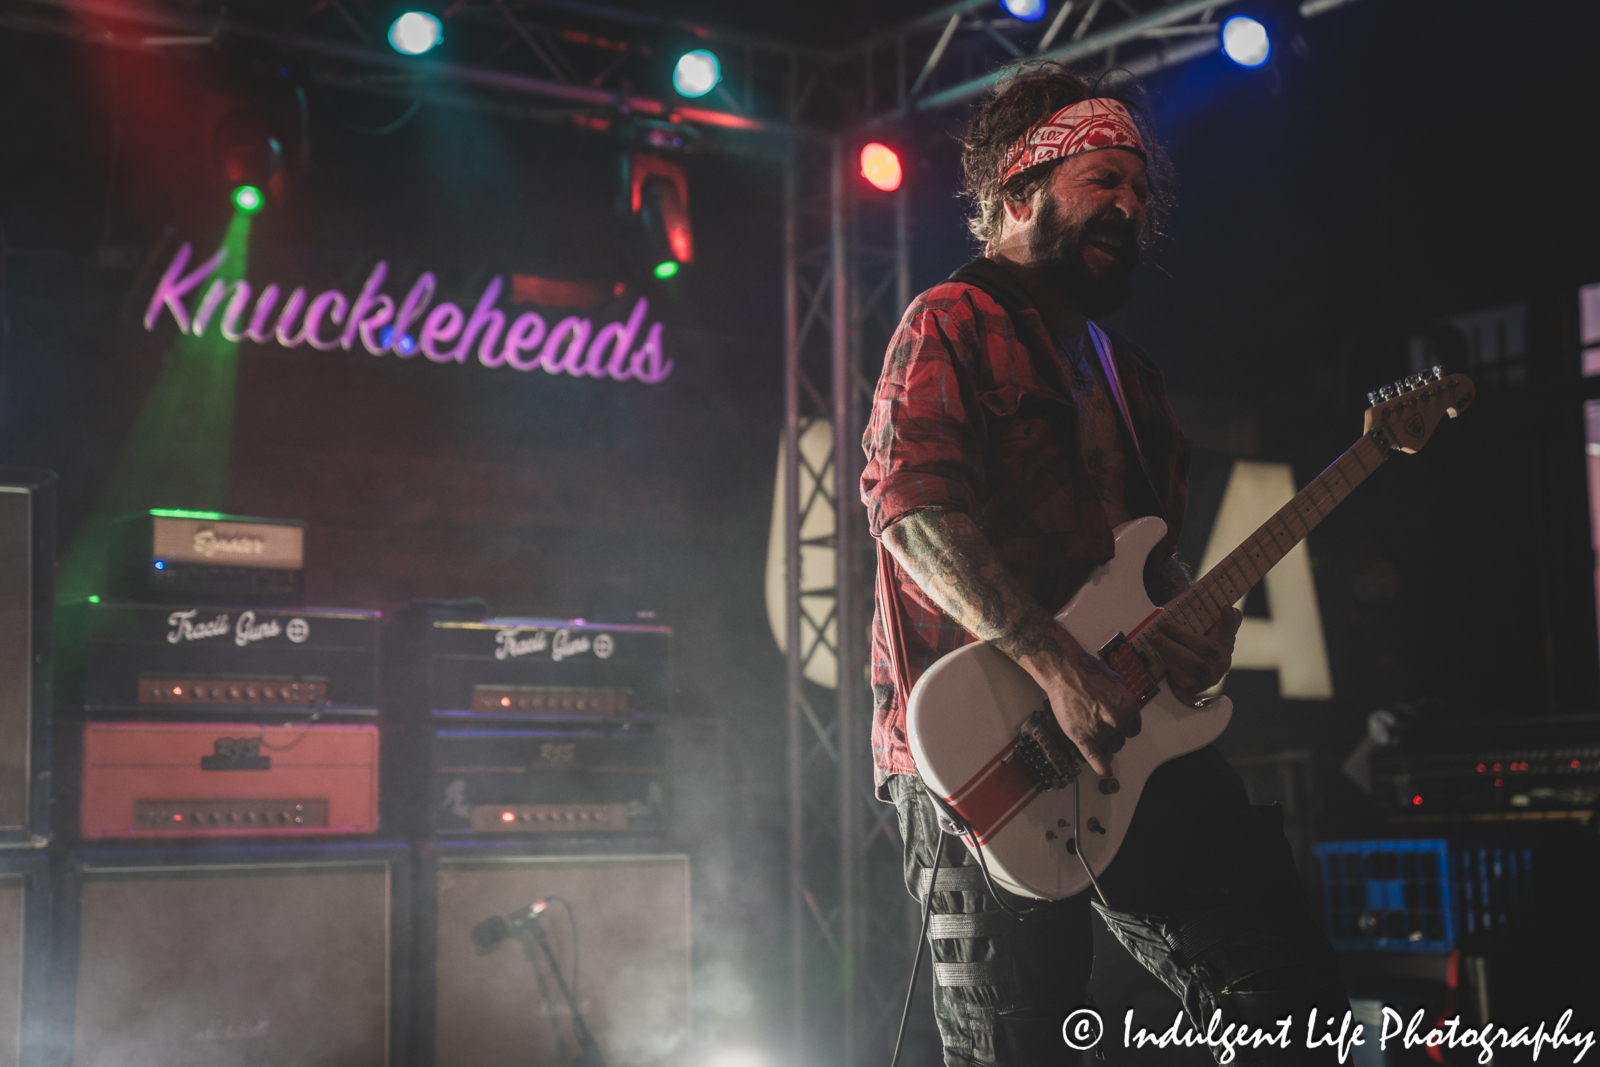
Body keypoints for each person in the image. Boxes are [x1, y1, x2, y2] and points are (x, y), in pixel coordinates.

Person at [861, 61, 1349, 1066]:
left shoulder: (1132, 379)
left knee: (1290, 1001)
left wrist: (1199, 645)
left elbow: (1150, 579)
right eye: (1102, 181)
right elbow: (911, 511)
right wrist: (1052, 664)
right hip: (980, 750)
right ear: (1018, 191)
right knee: (1016, 1047)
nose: (1128, 206)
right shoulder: (950, 320)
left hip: (1125, 735)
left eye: (1138, 188)